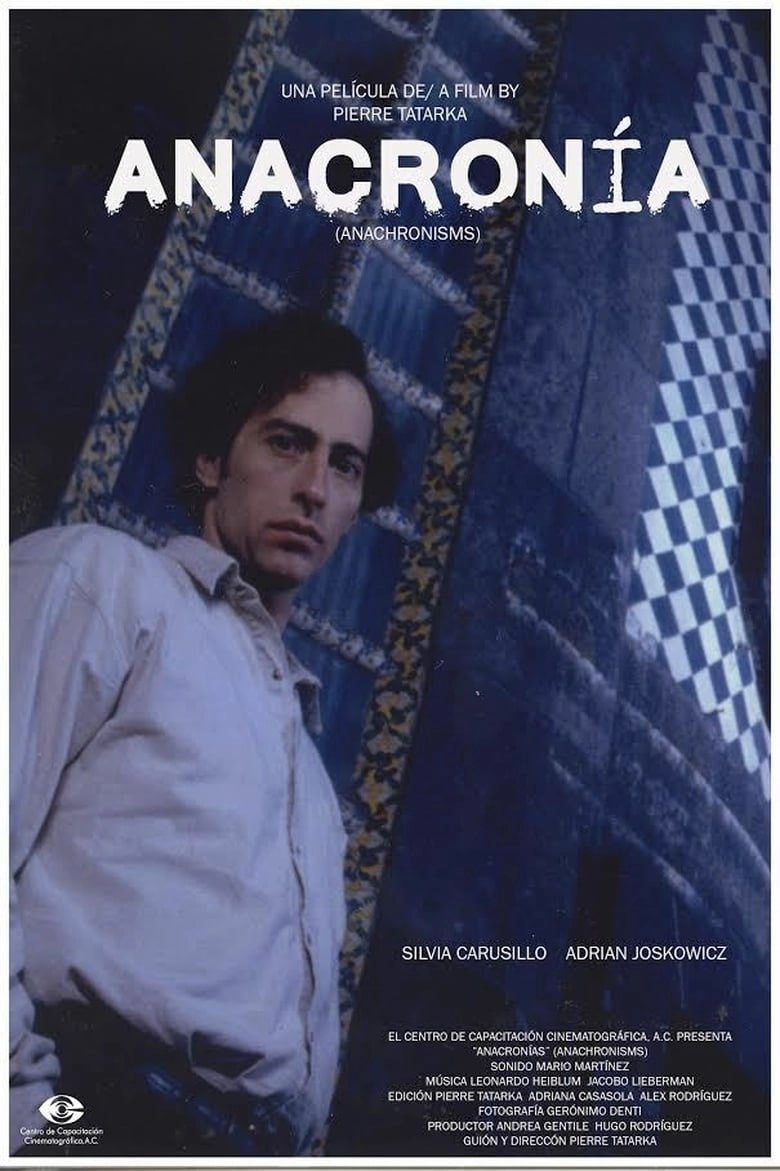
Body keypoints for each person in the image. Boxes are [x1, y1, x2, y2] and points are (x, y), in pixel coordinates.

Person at [9, 310, 399, 1156]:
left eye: (345, 465)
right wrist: (29, 1123)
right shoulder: (102, 578)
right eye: (288, 443)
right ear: (212, 458)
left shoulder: (314, 789)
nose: (315, 488)